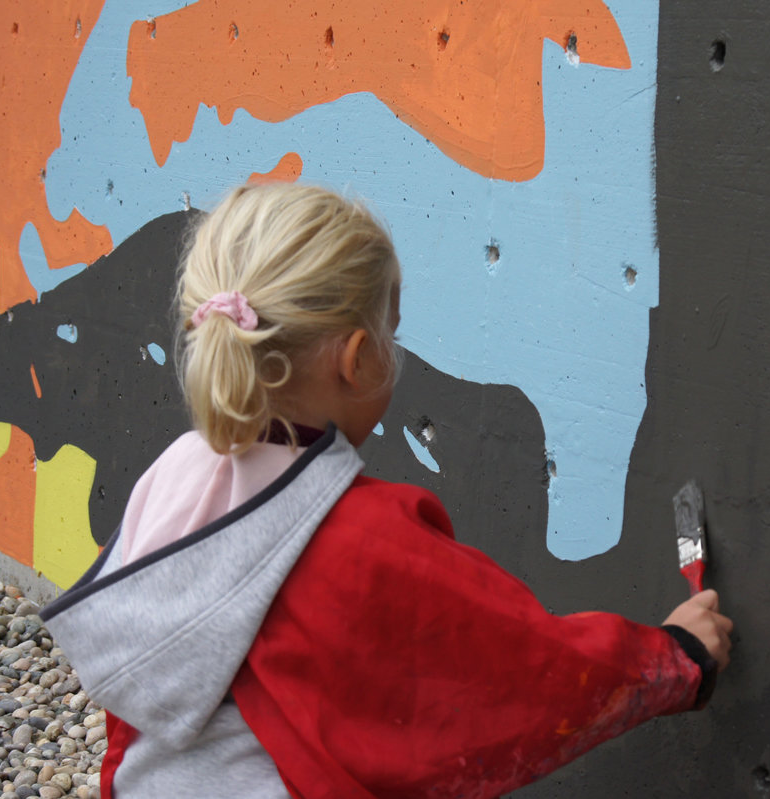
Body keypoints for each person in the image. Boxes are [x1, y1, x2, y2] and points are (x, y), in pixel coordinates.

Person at [41, 183, 733, 798]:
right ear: (356, 359)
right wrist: (677, 656)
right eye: (389, 335)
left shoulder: (170, 476)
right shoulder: (362, 538)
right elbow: (516, 669)